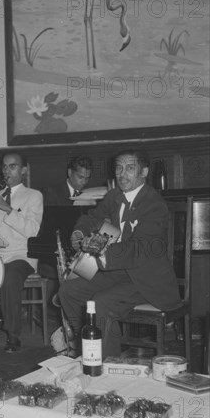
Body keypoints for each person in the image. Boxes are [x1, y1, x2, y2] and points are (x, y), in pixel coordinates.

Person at [58, 149, 182, 359]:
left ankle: (104, 365)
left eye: (130, 168)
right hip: (117, 270)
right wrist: (79, 233)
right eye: (118, 168)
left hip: (145, 277)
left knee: (100, 303)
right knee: (69, 291)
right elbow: (91, 218)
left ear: (144, 172)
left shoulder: (154, 205)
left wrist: (102, 250)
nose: (122, 174)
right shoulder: (114, 196)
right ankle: (90, 346)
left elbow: (139, 248)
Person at [0, 152, 43, 352]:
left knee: (9, 276)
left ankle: (12, 334)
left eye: (12, 166)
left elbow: (32, 230)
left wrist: (7, 208)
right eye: (4, 167)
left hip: (21, 255)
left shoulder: (33, 196)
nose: (6, 171)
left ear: (24, 170)